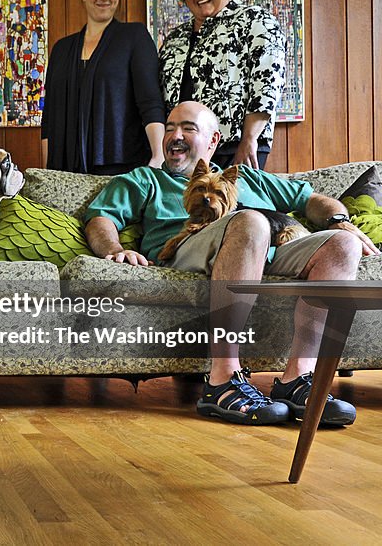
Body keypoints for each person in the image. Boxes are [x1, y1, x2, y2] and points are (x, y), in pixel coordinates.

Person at [83, 101, 379, 425]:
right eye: (169, 128)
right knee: (250, 221)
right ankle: (222, 380)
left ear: (213, 140)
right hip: (194, 249)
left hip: (273, 249)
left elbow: (312, 200)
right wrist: (113, 248)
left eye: (188, 128)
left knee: (344, 245)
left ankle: (299, 378)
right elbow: (100, 217)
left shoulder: (251, 178)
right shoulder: (145, 179)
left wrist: (338, 219)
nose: (174, 136)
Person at [159, 0, 286, 170]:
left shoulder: (254, 20)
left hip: (235, 144)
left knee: (231, 204)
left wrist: (250, 139)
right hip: (184, 149)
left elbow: (267, 84)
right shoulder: (175, 39)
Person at [43, 0, 165, 174]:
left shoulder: (134, 37)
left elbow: (150, 102)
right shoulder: (61, 49)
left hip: (122, 166)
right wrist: (47, 171)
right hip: (65, 170)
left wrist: (158, 156)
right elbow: (49, 119)